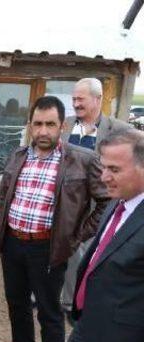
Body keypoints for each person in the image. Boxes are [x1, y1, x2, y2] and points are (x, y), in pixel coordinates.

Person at [13, 128, 144, 342]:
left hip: (128, 337)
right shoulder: (117, 199)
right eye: (103, 167)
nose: (104, 177)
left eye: (114, 169)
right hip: (89, 321)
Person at [0, 96, 109, 342]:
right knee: (16, 300)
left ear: (62, 125)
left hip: (49, 247)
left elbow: (106, 200)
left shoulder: (81, 160)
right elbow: (4, 200)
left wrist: (77, 234)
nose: (43, 131)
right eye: (38, 124)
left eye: (50, 125)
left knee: (48, 309)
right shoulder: (18, 156)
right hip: (14, 242)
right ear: (30, 125)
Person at [59, 78, 131, 324]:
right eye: (74, 99)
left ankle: (73, 302)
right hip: (67, 199)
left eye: (81, 99)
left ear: (98, 99)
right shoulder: (65, 125)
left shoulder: (119, 129)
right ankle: (54, 295)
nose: (76, 104)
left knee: (85, 249)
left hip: (100, 200)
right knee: (61, 246)